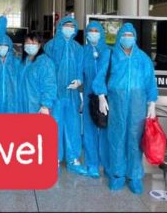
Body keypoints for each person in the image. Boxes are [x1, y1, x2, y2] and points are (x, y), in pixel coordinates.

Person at [101, 22, 158, 194]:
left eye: (130, 35)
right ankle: (117, 175)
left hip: (137, 105)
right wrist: (101, 95)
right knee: (116, 138)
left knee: (135, 140)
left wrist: (152, 102)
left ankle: (134, 176)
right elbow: (100, 76)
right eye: (124, 35)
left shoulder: (143, 58)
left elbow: (150, 81)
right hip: (116, 104)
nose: (127, 38)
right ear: (119, 37)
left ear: (135, 37)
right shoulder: (110, 55)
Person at [45, 16, 85, 174]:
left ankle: (73, 159)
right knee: (54, 126)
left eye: (72, 26)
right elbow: (45, 69)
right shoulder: (50, 46)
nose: (69, 28)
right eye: (66, 25)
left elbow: (81, 68)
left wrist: (79, 81)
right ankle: (53, 158)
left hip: (72, 95)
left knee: (72, 126)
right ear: (60, 27)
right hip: (55, 94)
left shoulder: (78, 48)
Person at [82, 21, 111, 178]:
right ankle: (92, 164)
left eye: (96, 30)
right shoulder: (84, 51)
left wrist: (101, 95)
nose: (93, 33)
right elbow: (79, 71)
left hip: (106, 96)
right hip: (89, 95)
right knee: (89, 130)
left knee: (105, 130)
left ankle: (106, 164)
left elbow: (104, 72)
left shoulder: (107, 51)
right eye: (90, 30)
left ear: (101, 33)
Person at [18, 32, 57, 114]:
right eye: (27, 43)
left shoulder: (45, 63)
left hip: (38, 108)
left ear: (39, 45)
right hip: (22, 106)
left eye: (33, 43)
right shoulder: (22, 62)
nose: (30, 45)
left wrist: (45, 105)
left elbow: (49, 85)